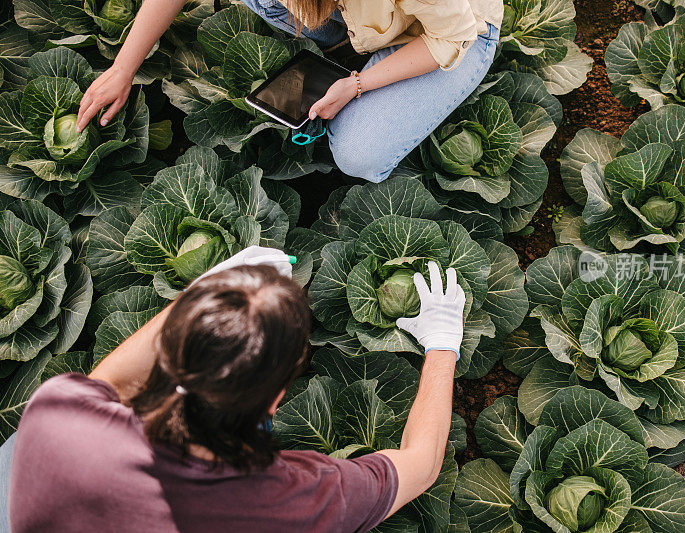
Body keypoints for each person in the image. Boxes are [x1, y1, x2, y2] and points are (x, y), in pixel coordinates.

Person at [7, 247, 466, 532]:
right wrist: (443, 345)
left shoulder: (57, 410)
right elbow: (422, 466)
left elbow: (113, 382)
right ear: (275, 399)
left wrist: (212, 294)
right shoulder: (293, 502)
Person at [75, 0, 502, 183]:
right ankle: (355, 52)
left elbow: (449, 38)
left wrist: (357, 84)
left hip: (453, 34)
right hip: (364, 16)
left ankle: (367, 71)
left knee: (359, 154)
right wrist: (122, 68)